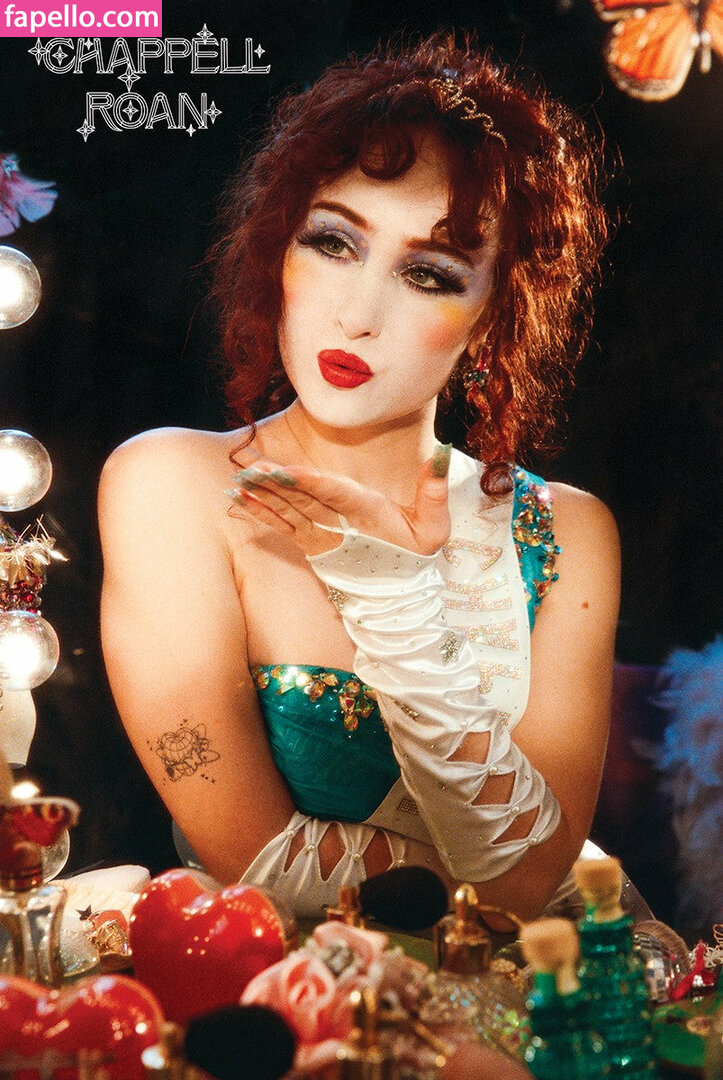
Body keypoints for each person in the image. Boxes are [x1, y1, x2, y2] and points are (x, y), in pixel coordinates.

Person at [98, 34, 620, 923]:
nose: (357, 313)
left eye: (427, 274)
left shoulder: (567, 531)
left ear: (492, 315)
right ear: (280, 248)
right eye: (333, 242)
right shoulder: (169, 485)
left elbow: (530, 887)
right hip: (289, 995)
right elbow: (256, 857)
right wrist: (485, 883)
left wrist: (401, 604)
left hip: (563, 987)